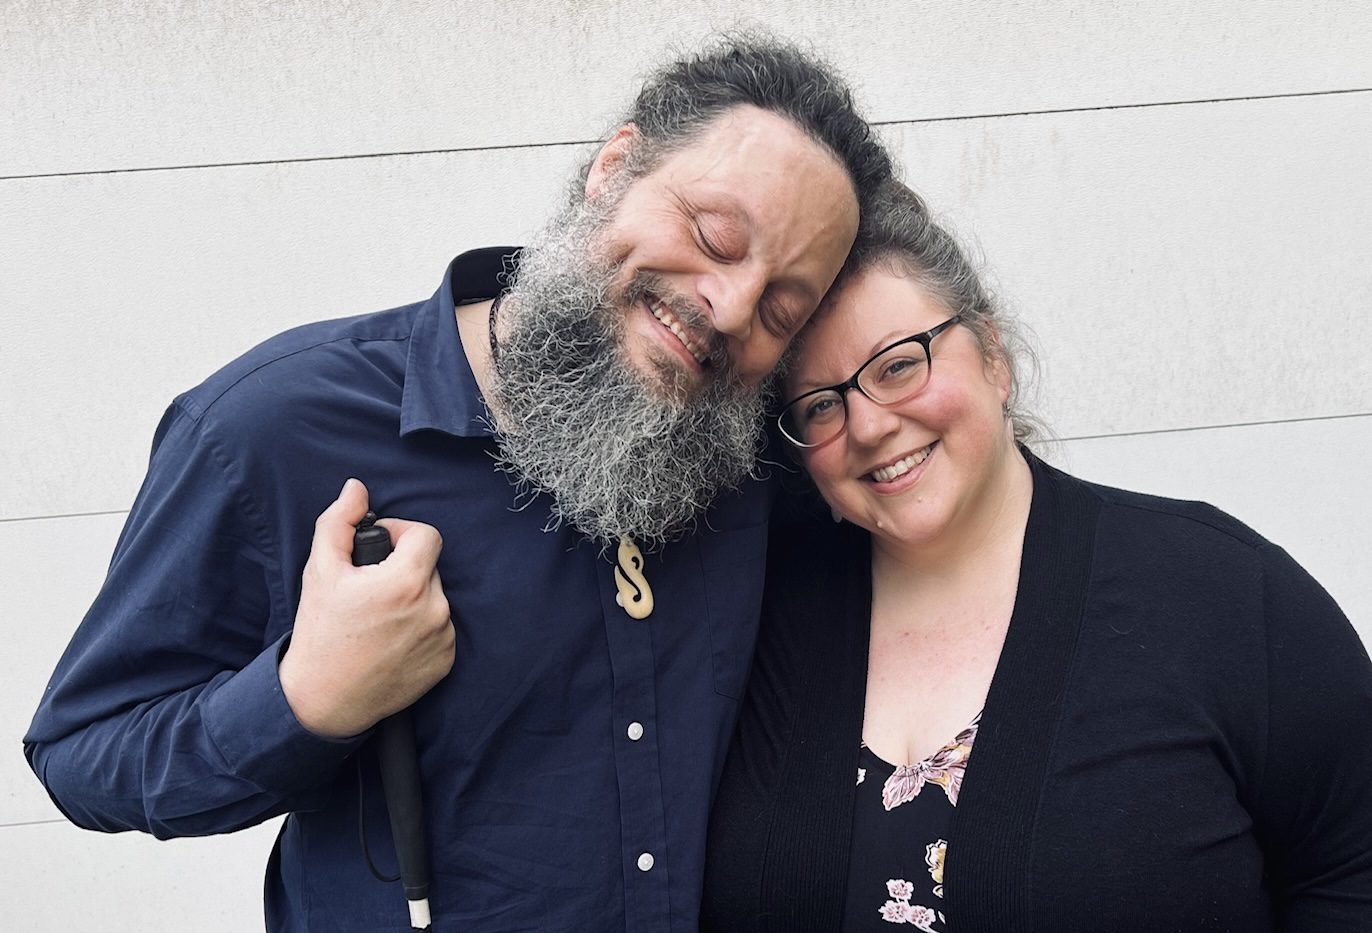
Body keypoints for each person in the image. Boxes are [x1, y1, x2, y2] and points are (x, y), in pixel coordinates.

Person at [24, 37, 892, 931]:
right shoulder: (272, 429)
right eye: (715, 235)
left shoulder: (761, 458)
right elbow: (82, 751)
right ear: (613, 168)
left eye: (784, 307)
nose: (734, 307)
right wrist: (303, 699)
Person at [701, 181, 1372, 931]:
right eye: (822, 404)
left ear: (993, 356)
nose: (867, 426)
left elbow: (1351, 863)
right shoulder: (752, 621)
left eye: (897, 364)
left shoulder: (1222, 594)